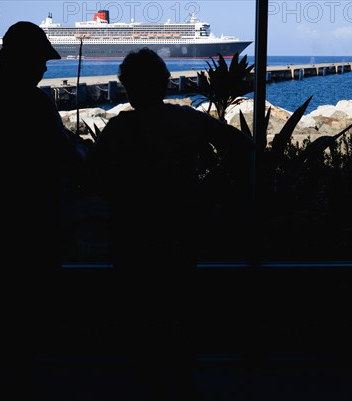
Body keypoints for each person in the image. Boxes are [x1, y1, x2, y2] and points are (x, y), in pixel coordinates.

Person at [86, 48, 253, 401]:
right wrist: (210, 184)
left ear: (127, 87)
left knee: (139, 304)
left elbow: (93, 176)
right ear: (165, 84)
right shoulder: (189, 120)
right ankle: (182, 376)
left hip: (132, 228)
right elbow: (242, 145)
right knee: (180, 301)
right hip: (181, 223)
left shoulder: (118, 128)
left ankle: (147, 377)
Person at [0, 21, 86, 400]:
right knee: (32, 301)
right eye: (40, 60)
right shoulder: (33, 100)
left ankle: (10, 377)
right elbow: (64, 154)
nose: (45, 68)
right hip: (34, 218)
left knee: (6, 299)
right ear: (23, 59)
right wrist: (82, 150)